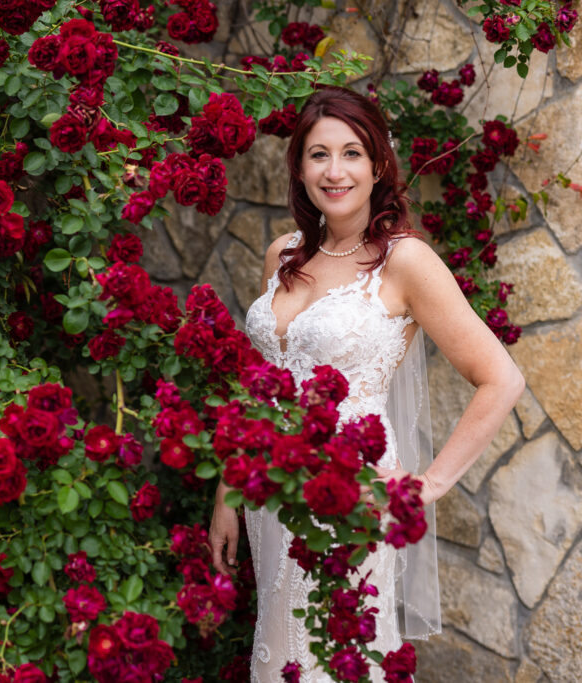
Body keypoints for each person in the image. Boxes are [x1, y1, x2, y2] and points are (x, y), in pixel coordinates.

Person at [208, 86, 524, 682]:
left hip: (349, 496)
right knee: (280, 644)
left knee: (333, 655)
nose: (335, 171)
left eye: (351, 153)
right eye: (318, 154)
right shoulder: (283, 254)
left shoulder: (404, 262)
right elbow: (264, 382)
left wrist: (425, 486)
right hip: (268, 490)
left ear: (377, 165)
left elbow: (501, 379)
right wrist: (227, 489)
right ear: (299, 168)